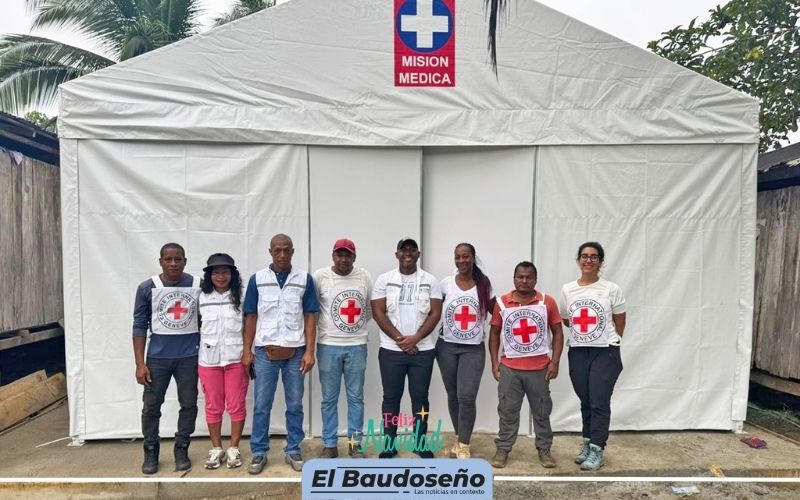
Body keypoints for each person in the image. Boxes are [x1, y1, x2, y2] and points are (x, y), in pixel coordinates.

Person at [242, 234, 319, 474]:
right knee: (262, 404)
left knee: (295, 403)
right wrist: (247, 351)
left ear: (293, 251)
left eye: (287, 250)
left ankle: (293, 449)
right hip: (265, 353)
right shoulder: (258, 280)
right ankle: (258, 452)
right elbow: (251, 316)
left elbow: (310, 316)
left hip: (295, 353)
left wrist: (309, 351)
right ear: (270, 251)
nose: (282, 255)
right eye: (278, 250)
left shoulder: (304, 279)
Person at [132, 242, 201, 474]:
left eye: (178, 259)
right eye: (168, 259)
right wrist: (140, 364)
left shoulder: (197, 285)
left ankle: (182, 447)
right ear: (160, 261)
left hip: (189, 357)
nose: (173, 263)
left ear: (185, 261)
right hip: (157, 360)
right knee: (151, 407)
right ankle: (150, 450)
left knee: (189, 404)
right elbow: (139, 326)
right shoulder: (146, 287)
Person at [371, 238, 443, 458]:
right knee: (391, 398)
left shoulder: (430, 280)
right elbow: (378, 312)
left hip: (423, 350)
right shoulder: (384, 279)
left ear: (418, 254)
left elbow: (435, 313)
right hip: (391, 350)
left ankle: (420, 443)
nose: (408, 254)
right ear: (397, 254)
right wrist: (403, 339)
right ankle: (389, 444)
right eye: (404, 250)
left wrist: (417, 338)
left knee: (420, 397)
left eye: (412, 250)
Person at [488, 261, 564, 469]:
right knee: (507, 411)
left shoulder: (547, 302)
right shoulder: (502, 303)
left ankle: (544, 449)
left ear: (535, 279)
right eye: (520, 277)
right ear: (514, 278)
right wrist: (495, 363)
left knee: (542, 412)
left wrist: (555, 362)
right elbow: (494, 333)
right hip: (510, 369)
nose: (524, 280)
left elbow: (558, 332)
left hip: (539, 369)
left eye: (529, 277)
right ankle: (503, 448)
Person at [560, 242, 626, 471]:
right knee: (585, 400)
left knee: (599, 401)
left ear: (600, 262)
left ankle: (598, 449)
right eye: (584, 256)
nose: (588, 260)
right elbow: (567, 319)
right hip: (578, 351)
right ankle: (588, 443)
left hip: (605, 351)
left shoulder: (611, 289)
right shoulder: (568, 289)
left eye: (594, 256)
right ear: (578, 260)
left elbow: (620, 321)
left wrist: (604, 340)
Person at [313, 238, 372, 459]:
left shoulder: (364, 276)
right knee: (329, 398)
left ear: (354, 257)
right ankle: (329, 444)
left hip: (357, 345)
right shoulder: (320, 277)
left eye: (348, 255)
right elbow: (314, 309)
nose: (343, 259)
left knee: (356, 397)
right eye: (339, 254)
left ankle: (355, 443)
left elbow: (368, 309)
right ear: (333, 256)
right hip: (328, 345)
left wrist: (353, 329)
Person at [436, 243, 495, 459]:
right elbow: (433, 312)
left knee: (467, 396)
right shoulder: (445, 284)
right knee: (453, 395)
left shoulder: (483, 284)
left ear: (473, 258)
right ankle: (459, 435)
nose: (461, 261)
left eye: (466, 256)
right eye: (458, 257)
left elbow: (496, 313)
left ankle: (464, 444)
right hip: (446, 348)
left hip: (473, 349)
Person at [197, 253, 248, 469]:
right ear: (209, 275)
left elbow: (250, 325)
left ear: (232, 274)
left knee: (236, 404)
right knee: (213, 405)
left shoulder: (242, 297)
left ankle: (234, 448)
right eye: (216, 272)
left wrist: (248, 352)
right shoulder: (200, 297)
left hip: (236, 359)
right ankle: (216, 448)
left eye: (225, 272)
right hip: (208, 361)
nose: (221, 276)